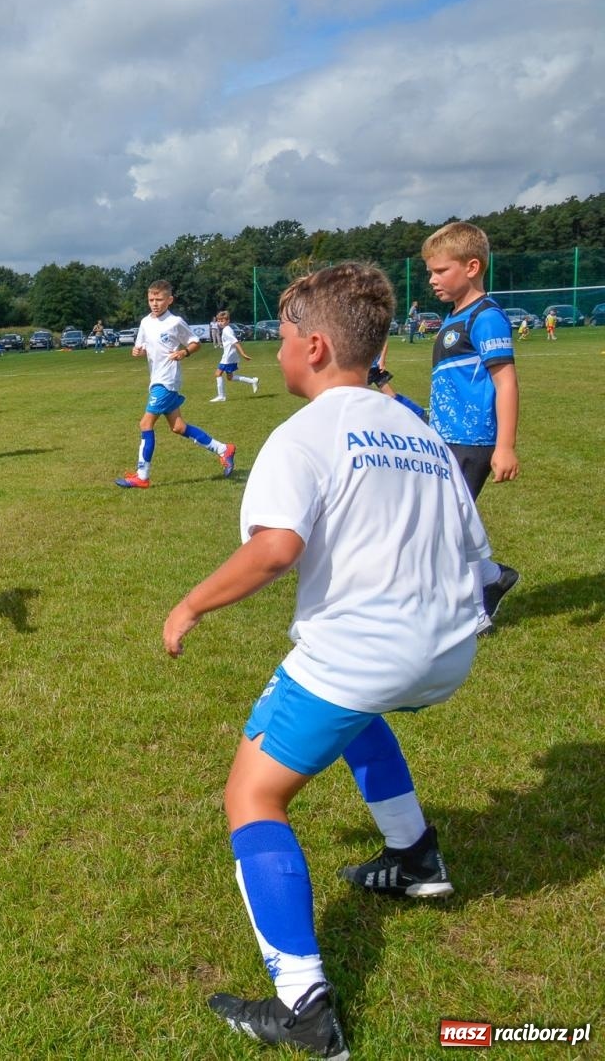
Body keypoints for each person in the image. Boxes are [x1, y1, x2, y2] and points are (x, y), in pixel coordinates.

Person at [164, 262, 488, 1060]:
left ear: (313, 347)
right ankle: (414, 856)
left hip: (370, 650)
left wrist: (191, 604)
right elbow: (479, 554)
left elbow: (277, 548)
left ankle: (303, 1005)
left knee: (252, 795)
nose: (277, 353)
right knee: (354, 712)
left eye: (282, 339)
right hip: (453, 646)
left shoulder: (304, 434)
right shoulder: (417, 428)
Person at [423, 220, 521, 635]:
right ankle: (492, 577)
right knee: (448, 523)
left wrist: (505, 446)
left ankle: (474, 615)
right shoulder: (453, 318)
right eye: (430, 271)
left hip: (472, 441)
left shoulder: (486, 317)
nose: (432, 279)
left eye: (440, 270)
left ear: (472, 266)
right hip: (446, 440)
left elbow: (506, 382)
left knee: (446, 528)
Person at [116, 281, 235, 489]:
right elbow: (141, 347)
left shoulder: (175, 322)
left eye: (159, 299)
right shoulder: (145, 322)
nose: (154, 303)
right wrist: (137, 351)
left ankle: (142, 476)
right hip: (156, 379)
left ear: (169, 300)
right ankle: (224, 449)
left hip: (167, 379)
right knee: (178, 427)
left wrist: (184, 352)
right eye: (151, 299)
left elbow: (195, 342)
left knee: (145, 424)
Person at [209, 311, 259, 401]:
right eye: (218, 321)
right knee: (230, 377)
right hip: (230, 356)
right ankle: (252, 381)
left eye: (222, 321)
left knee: (218, 374)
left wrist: (243, 354)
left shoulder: (227, 330)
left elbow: (235, 342)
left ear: (228, 321)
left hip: (228, 357)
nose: (220, 323)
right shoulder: (227, 329)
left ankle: (221, 396)